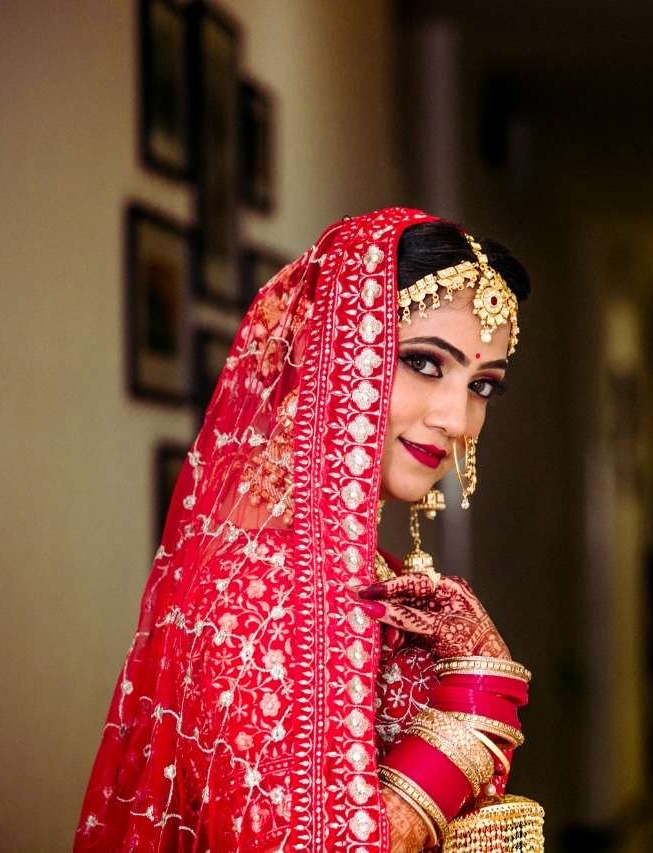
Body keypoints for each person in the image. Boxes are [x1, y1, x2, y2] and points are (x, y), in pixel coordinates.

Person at [76, 208, 542, 851]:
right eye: (426, 363)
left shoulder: (347, 567)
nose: (456, 419)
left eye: (482, 386)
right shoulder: (260, 590)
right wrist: (476, 695)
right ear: (333, 356)